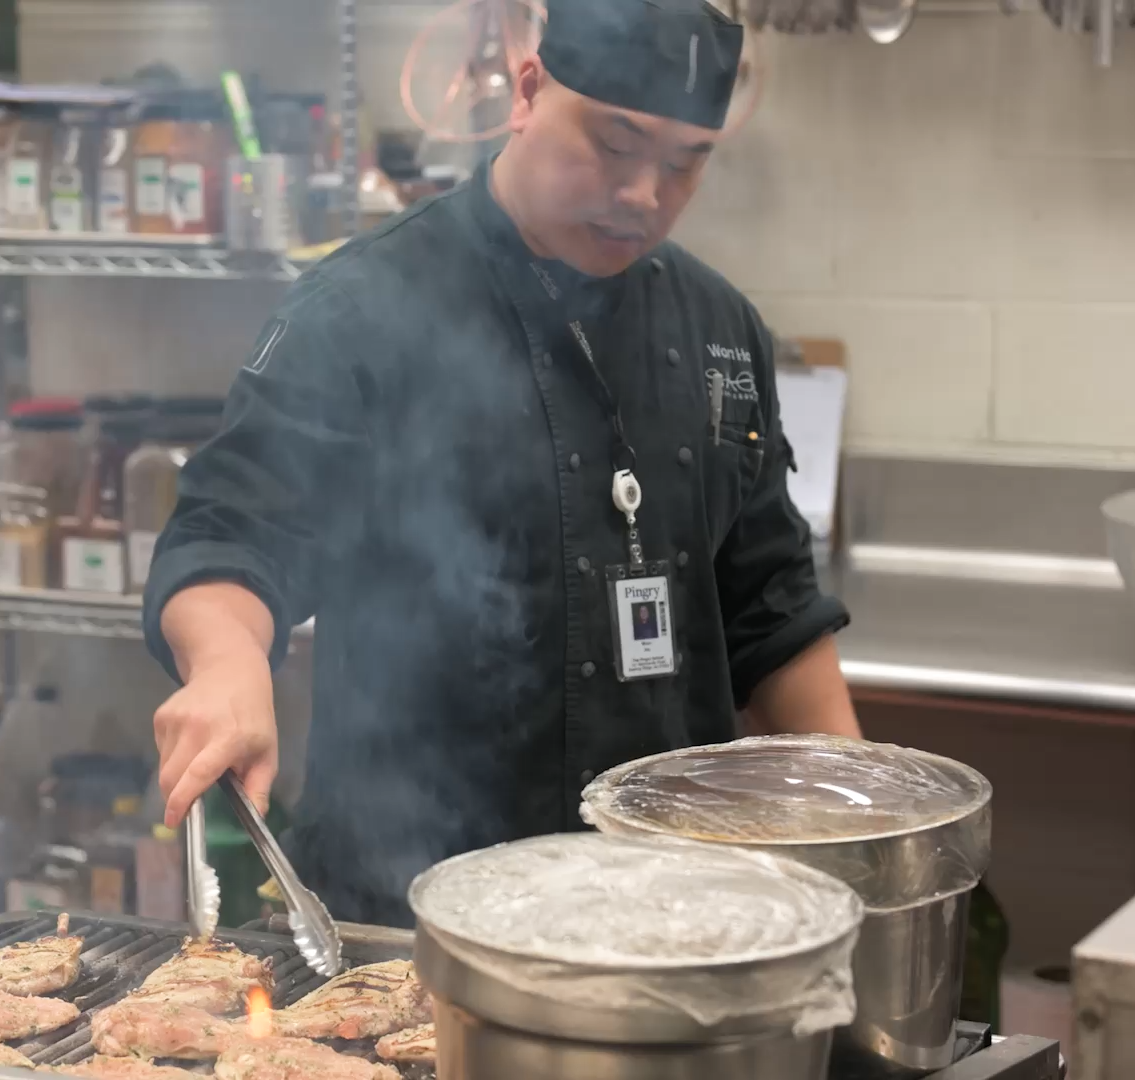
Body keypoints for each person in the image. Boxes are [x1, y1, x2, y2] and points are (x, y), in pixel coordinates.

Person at [143, 0, 859, 926]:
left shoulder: (720, 330)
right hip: (407, 921)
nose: (644, 195)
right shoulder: (363, 310)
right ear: (528, 91)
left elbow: (770, 609)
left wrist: (862, 820)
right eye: (614, 144)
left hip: (671, 918)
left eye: (686, 163)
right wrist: (227, 665)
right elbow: (230, 538)